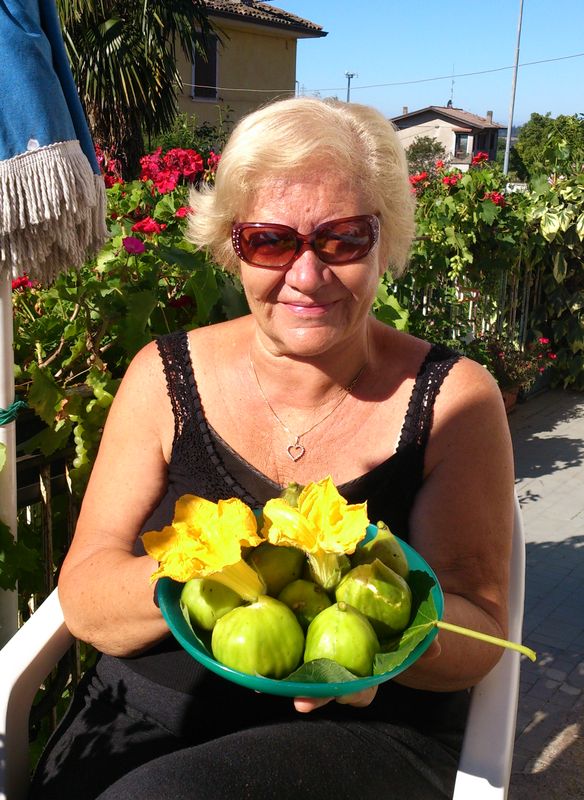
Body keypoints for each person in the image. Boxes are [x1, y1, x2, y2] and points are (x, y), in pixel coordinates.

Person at [29, 97, 514, 800]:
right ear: (231, 245)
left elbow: (483, 627)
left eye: (344, 238)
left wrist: (383, 639)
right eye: (270, 240)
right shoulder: (162, 377)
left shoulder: (455, 399)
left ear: (386, 241)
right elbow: (87, 599)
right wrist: (206, 564)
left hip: (361, 737)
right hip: (142, 714)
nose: (307, 275)